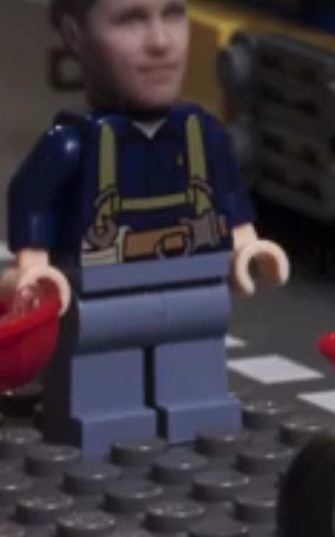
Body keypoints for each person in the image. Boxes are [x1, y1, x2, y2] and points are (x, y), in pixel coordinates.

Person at [0, 0, 289, 456]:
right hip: (100, 286)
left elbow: (231, 204)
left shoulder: (202, 135)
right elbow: (32, 201)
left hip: (193, 280)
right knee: (103, 361)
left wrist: (246, 247)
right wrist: (33, 268)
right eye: (130, 20)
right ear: (74, 35)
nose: (160, 42)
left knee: (192, 352)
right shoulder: (73, 143)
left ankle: (196, 408)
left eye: (173, 14)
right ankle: (103, 420)